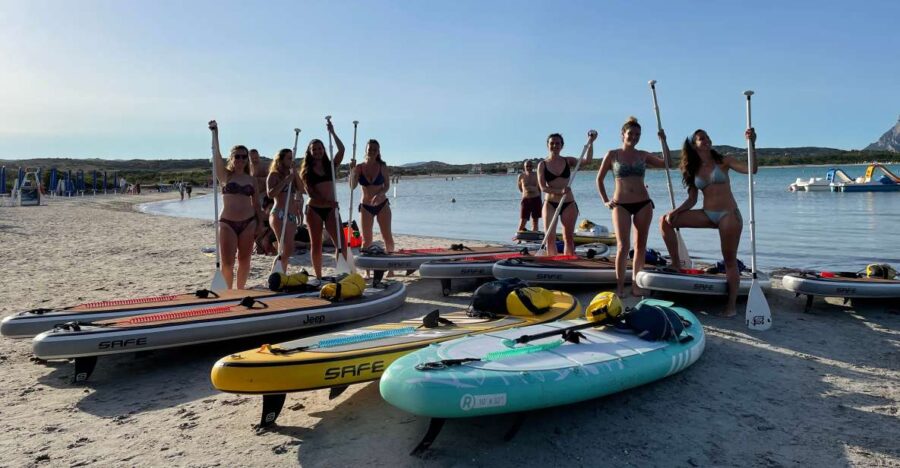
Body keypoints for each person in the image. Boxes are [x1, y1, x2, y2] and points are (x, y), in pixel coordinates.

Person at [660, 128, 758, 317]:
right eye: (701, 138)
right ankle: (676, 264)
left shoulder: (724, 161)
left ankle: (730, 306)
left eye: (707, 137)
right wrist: (676, 211)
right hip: (707, 214)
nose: (706, 140)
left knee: (729, 260)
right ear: (693, 145)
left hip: (728, 215)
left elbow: (752, 169)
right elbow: (692, 200)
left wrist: (752, 143)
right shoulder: (692, 168)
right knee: (664, 221)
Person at [596, 117, 668, 297]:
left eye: (638, 135)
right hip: (620, 204)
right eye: (631, 134)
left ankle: (637, 285)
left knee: (640, 246)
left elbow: (667, 163)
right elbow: (599, 179)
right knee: (622, 246)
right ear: (623, 134)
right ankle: (620, 287)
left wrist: (663, 141)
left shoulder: (643, 154)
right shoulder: (612, 154)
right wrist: (605, 200)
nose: (634, 137)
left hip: (643, 203)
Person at [209, 120, 263, 289]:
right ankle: (228, 292)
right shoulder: (225, 176)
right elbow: (216, 155)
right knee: (228, 262)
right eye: (237, 156)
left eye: (243, 156)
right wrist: (215, 133)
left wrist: (260, 224)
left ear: (247, 160)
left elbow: (256, 204)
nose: (240, 159)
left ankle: (240, 291)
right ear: (231, 159)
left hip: (248, 222)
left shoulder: (251, 180)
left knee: (245, 260)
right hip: (227, 223)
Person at [537, 130, 596, 256]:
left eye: (558, 143)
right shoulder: (542, 164)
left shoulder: (568, 160)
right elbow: (542, 187)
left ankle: (569, 262)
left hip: (568, 203)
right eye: (552, 143)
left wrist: (591, 142)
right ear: (547, 145)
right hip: (550, 204)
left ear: (562, 146)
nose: (555, 146)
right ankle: (553, 264)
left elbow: (588, 161)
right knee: (550, 238)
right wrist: (560, 191)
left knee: (568, 237)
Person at [300, 121, 345, 278]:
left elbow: (342, 149)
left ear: (324, 150)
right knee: (316, 244)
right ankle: (318, 276)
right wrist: (329, 204)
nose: (317, 151)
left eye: (320, 148)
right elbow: (312, 195)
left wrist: (333, 132)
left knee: (340, 243)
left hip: (331, 209)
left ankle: (342, 271)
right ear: (310, 152)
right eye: (314, 149)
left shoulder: (330, 166)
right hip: (314, 210)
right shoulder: (306, 172)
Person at [350, 139, 394, 252]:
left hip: (382, 205)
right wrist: (352, 172)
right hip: (366, 206)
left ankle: (391, 268)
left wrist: (380, 194)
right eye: (370, 149)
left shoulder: (382, 166)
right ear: (366, 150)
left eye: (375, 149)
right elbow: (352, 186)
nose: (372, 151)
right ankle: (367, 270)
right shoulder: (359, 167)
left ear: (378, 151)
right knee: (366, 240)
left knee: (387, 237)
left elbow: (387, 186)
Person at [266, 148, 304, 274]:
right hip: (279, 214)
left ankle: (281, 273)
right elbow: (271, 194)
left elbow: (301, 188)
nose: (291, 160)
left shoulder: (292, 174)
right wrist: (285, 181)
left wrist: (295, 173)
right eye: (288, 158)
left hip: (291, 215)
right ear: (281, 160)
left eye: (292, 158)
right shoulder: (274, 175)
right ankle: (275, 274)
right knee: (283, 247)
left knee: (289, 248)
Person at [517, 160, 542, 232]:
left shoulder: (537, 175)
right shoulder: (521, 176)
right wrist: (527, 192)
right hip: (526, 199)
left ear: (533, 166)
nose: (528, 167)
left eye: (530, 166)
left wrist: (541, 201)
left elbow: (540, 189)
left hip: (536, 198)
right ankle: (519, 238)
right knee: (523, 219)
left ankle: (534, 236)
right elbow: (520, 188)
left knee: (535, 220)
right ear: (524, 167)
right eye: (527, 166)